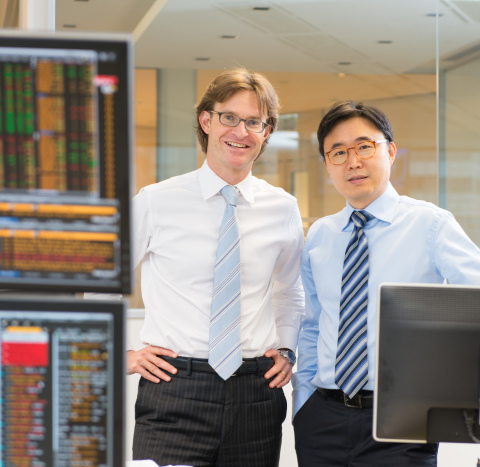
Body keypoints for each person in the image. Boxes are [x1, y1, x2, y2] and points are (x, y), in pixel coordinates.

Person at [128, 68, 305, 467]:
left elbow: (290, 289)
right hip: (174, 387)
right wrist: (121, 356)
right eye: (229, 117)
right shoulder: (156, 201)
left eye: (254, 122)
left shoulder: (283, 208)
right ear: (206, 120)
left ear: (266, 131)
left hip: (255, 394)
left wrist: (288, 348)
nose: (240, 132)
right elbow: (100, 283)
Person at [292, 100, 480, 467]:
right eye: (338, 152)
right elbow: (313, 326)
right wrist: (304, 404)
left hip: (402, 423)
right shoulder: (320, 236)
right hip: (322, 419)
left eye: (364, 146)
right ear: (327, 163)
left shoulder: (431, 225)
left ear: (390, 151)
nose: (353, 161)